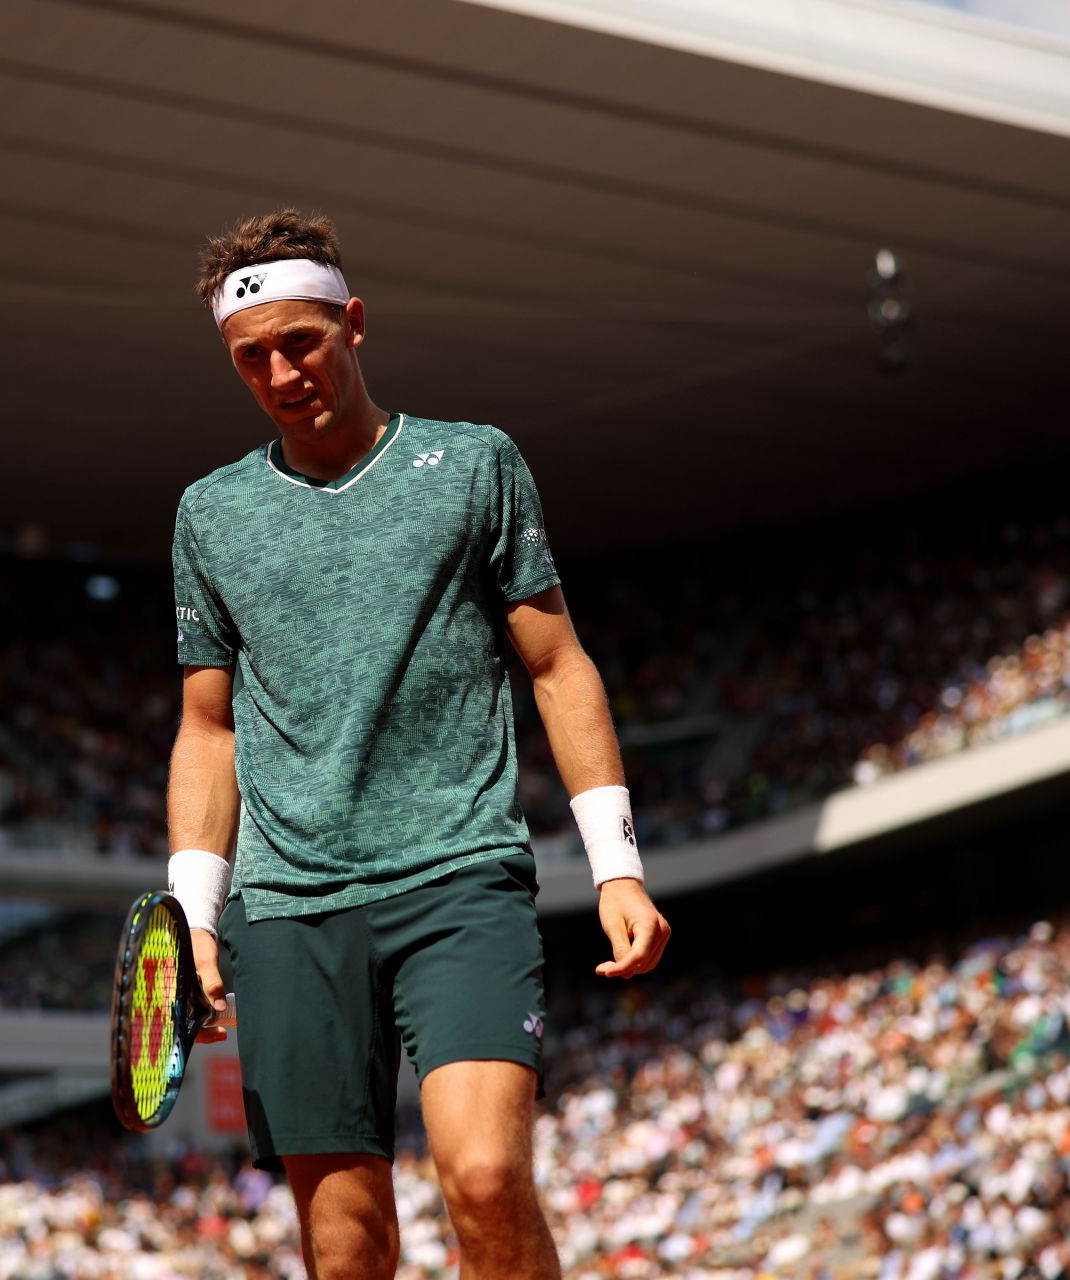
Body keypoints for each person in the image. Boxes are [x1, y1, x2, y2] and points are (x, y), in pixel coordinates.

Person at [165, 209, 670, 1280]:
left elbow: (557, 665)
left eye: (300, 340)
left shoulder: (474, 463)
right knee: (346, 1248)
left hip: (457, 874)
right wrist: (194, 918)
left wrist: (616, 863)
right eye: (251, 356)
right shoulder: (209, 514)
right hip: (290, 904)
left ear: (353, 324)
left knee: (485, 1176)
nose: (280, 370)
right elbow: (206, 728)